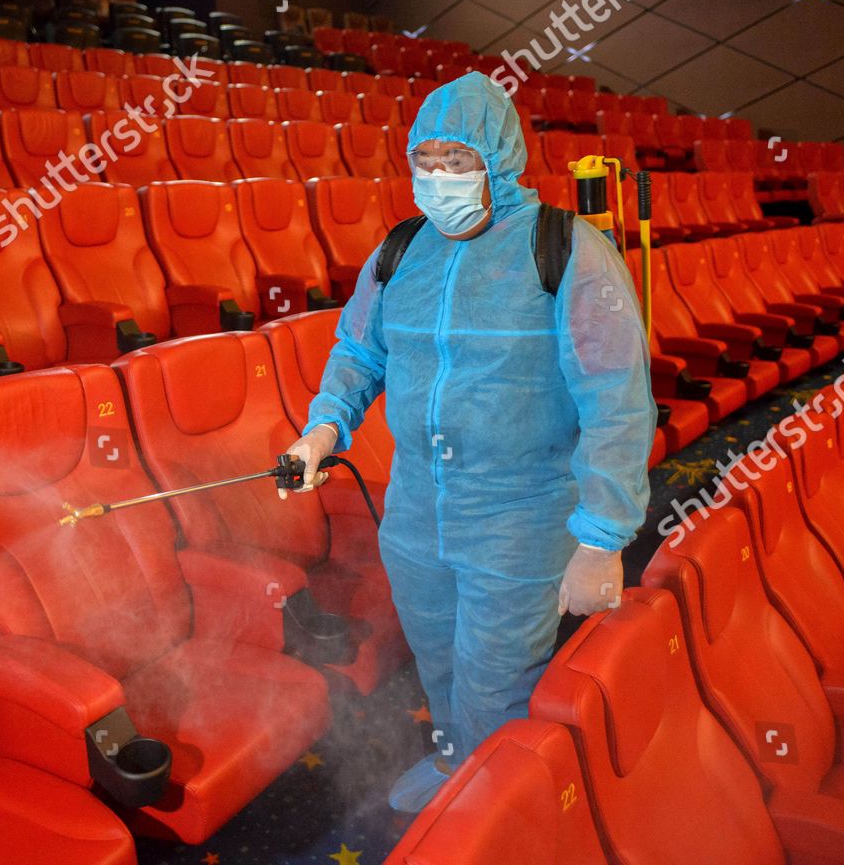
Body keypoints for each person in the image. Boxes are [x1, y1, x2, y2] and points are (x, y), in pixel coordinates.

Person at [279, 72, 656, 812]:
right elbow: (359, 354)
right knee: (442, 666)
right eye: (428, 161)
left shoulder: (565, 249)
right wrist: (322, 430)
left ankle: (501, 815)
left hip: (519, 520)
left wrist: (603, 537)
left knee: (498, 682)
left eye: (458, 161)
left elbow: (616, 397)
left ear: (498, 161)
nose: (439, 178)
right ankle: (460, 771)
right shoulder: (399, 251)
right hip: (417, 514)